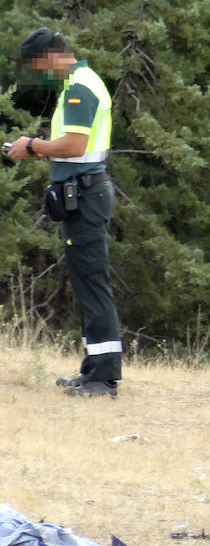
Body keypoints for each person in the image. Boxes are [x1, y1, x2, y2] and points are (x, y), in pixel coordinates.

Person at [7, 27, 122, 398]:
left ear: (51, 55)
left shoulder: (79, 87)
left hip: (86, 196)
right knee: (88, 280)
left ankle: (103, 378)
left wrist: (32, 145)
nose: (39, 73)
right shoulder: (80, 82)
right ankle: (93, 371)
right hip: (83, 195)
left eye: (38, 66)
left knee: (92, 282)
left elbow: (74, 145)